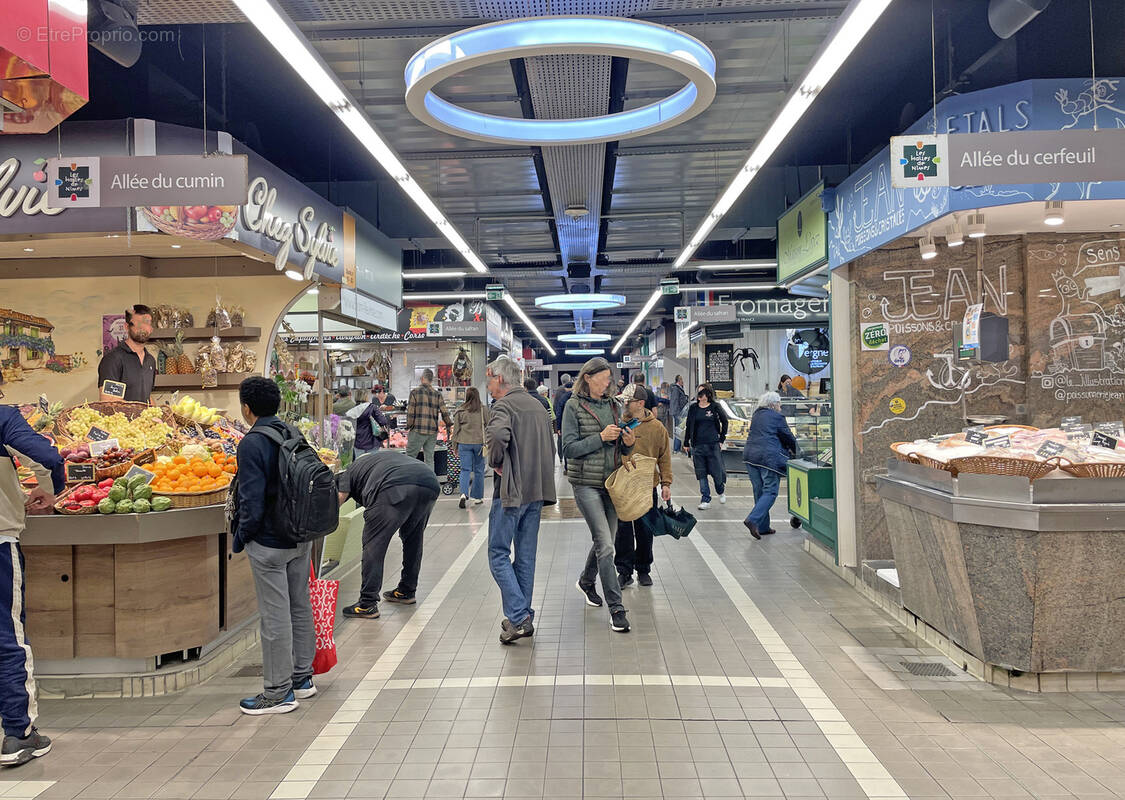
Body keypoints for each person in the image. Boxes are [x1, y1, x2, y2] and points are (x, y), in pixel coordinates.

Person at [233, 377, 316, 715]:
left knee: (274, 616)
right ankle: (302, 678)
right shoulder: (292, 432)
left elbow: (250, 501)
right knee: (299, 605)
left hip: (268, 541)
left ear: (246, 407)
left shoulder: (251, 443)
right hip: (300, 534)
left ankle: (278, 691)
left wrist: (241, 538)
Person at [0, 407, 64, 764]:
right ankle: (18, 734)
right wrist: (52, 488)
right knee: (7, 639)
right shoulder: (3, 418)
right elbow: (47, 456)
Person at [485, 356, 557, 644]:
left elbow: (499, 435)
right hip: (537, 491)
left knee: (498, 554)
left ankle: (518, 616)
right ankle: (522, 614)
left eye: (489, 380)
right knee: (525, 556)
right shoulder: (538, 405)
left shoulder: (503, 405)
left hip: (512, 492)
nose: (488, 386)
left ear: (500, 379)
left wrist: (497, 461)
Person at [562, 358, 634, 633]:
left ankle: (586, 581)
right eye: (603, 378)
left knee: (606, 540)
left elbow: (620, 450)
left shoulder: (615, 406)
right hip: (585, 484)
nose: (608, 382)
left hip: (612, 483)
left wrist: (628, 444)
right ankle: (616, 608)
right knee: (605, 544)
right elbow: (569, 448)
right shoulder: (573, 406)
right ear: (588, 378)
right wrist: (600, 438)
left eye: (609, 378)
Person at [336, 450, 440, 619]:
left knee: (374, 545)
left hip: (394, 486)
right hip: (429, 481)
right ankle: (406, 591)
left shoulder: (350, 470)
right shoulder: (380, 460)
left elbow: (340, 497)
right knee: (414, 539)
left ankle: (367, 604)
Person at [613, 385, 671, 588]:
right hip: (623, 487)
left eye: (628, 401)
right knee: (623, 532)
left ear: (640, 403)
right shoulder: (618, 424)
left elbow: (664, 457)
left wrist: (666, 483)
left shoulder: (656, 428)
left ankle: (644, 569)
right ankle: (624, 571)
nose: (624, 405)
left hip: (647, 487)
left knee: (645, 530)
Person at [742, 391, 799, 539]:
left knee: (759, 491)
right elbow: (787, 436)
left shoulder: (756, 415)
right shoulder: (777, 417)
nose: (780, 407)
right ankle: (753, 520)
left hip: (750, 456)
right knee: (770, 491)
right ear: (773, 404)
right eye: (779, 404)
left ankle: (763, 527)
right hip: (768, 459)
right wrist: (798, 450)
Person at [97, 304, 156, 403]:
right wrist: (138, 412)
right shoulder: (113, 359)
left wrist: (158, 414)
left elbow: (147, 396)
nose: (142, 329)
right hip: (122, 418)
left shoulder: (150, 361)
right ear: (126, 327)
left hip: (144, 418)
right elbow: (108, 399)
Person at [683, 384, 728, 509]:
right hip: (698, 446)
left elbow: (725, 421)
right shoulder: (693, 408)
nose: (700, 396)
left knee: (717, 473)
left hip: (713, 445)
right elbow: (688, 425)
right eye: (698, 393)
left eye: (702, 393)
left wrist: (721, 439)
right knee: (701, 473)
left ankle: (720, 490)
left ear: (707, 395)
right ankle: (705, 498)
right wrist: (686, 442)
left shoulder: (715, 407)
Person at [405, 368, 452, 470]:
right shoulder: (437, 394)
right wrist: (449, 424)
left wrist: (408, 426)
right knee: (429, 459)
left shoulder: (414, 392)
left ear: (422, 379)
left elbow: (411, 412)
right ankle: (430, 483)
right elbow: (444, 411)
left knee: (410, 457)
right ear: (431, 380)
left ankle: (409, 482)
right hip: (432, 431)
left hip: (418, 430)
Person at [451, 387, 489, 509]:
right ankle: (477, 497)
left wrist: (454, 446)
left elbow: (456, 430)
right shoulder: (483, 410)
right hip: (479, 443)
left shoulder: (460, 411)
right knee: (479, 470)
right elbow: (489, 426)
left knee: (465, 469)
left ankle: (463, 494)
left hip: (464, 443)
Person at [352, 390, 392, 457]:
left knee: (359, 463)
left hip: (357, 441)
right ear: (366, 397)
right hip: (372, 441)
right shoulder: (372, 407)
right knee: (372, 463)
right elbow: (383, 421)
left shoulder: (353, 409)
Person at [553, 375, 573, 465]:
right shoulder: (574, 391)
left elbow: (556, 406)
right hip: (570, 420)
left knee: (560, 439)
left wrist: (557, 424)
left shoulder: (558, 391)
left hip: (561, 419)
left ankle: (561, 456)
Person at [669, 375, 689, 451]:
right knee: (679, 431)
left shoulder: (678, 389)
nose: (683, 381)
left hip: (678, 412)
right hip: (678, 413)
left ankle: (678, 448)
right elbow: (675, 401)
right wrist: (679, 414)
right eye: (682, 380)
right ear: (679, 380)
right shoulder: (676, 389)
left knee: (679, 430)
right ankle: (676, 449)